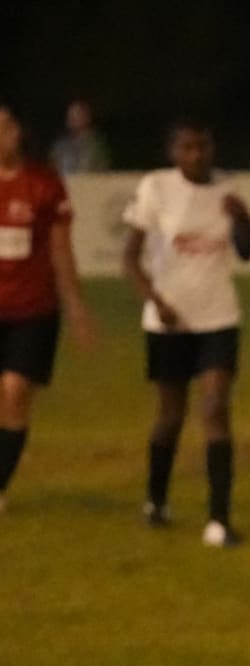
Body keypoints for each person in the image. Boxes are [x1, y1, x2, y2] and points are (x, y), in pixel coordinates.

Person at [121, 118, 250, 547]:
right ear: (173, 152)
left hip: (218, 317)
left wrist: (243, 218)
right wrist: (155, 301)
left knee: (215, 408)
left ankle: (219, 520)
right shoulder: (156, 187)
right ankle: (156, 500)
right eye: (187, 147)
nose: (196, 155)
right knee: (170, 416)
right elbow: (129, 258)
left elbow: (247, 252)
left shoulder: (228, 189)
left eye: (203, 146)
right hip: (169, 321)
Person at [0, 102, 96, 514]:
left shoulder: (43, 183)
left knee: (15, 392)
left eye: (7, 125)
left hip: (32, 311)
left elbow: (60, 252)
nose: (3, 134)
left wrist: (76, 309)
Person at [50, 99, 110, 174]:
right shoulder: (60, 146)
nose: (73, 119)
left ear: (87, 117)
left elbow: (103, 171)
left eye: (77, 115)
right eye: (71, 115)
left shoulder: (97, 146)